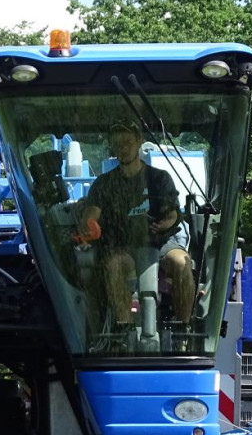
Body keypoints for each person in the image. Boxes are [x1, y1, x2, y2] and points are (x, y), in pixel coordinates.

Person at [74, 119, 195, 331]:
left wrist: (162, 224)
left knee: (182, 263)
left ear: (139, 141)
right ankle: (123, 332)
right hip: (123, 246)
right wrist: (88, 225)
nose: (123, 147)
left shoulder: (159, 178)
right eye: (117, 143)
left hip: (161, 243)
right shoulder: (104, 184)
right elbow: (91, 214)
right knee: (113, 265)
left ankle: (184, 331)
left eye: (127, 141)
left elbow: (172, 215)